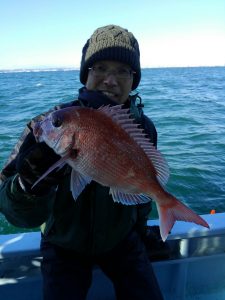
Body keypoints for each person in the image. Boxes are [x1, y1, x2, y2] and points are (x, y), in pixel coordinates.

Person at [0, 25, 164, 300]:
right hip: (63, 244)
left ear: (134, 79)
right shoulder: (49, 124)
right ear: (85, 73)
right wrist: (28, 187)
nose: (110, 80)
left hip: (121, 241)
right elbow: (11, 207)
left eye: (123, 70)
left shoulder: (143, 129)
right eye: (99, 67)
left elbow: (142, 195)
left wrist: (140, 230)